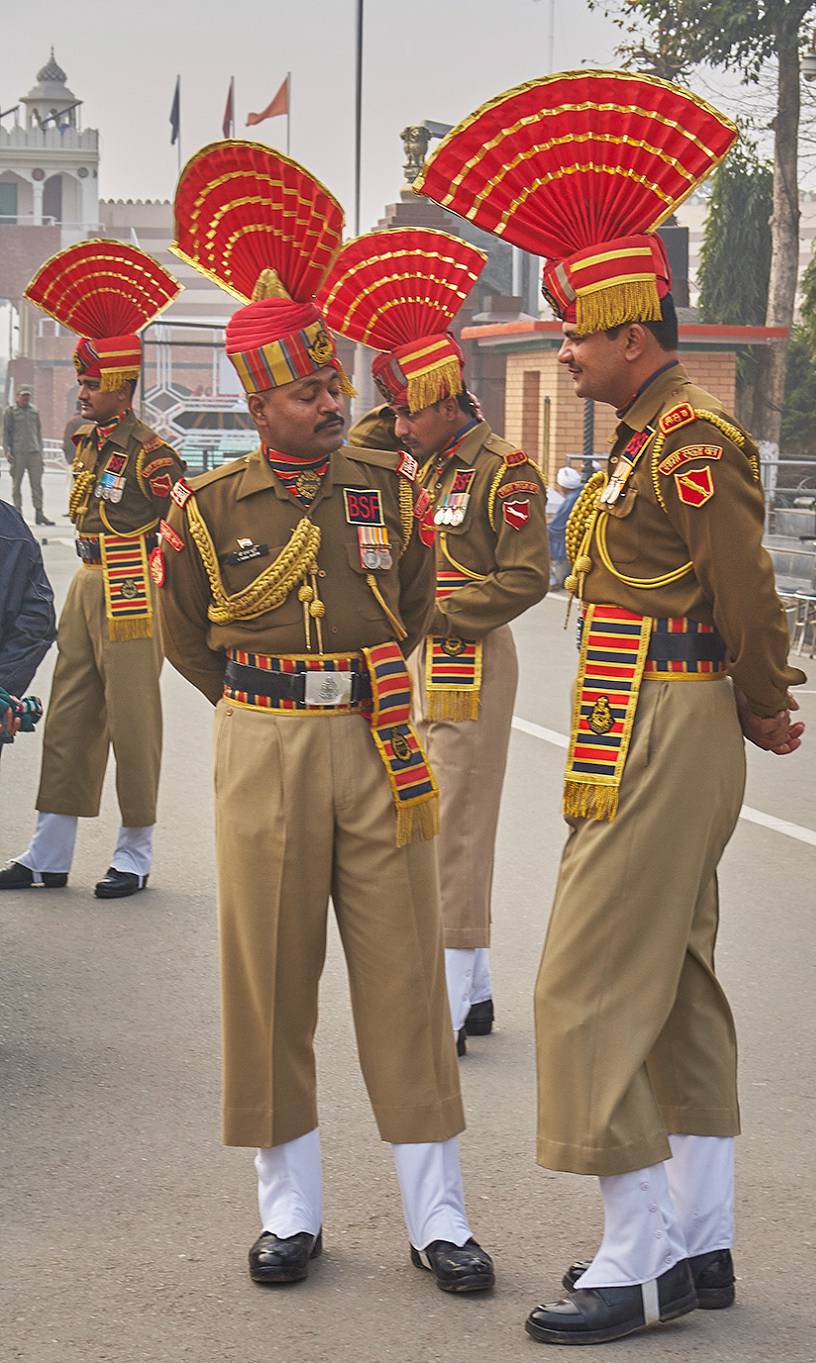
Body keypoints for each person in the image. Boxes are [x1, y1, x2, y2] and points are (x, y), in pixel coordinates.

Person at [416, 69, 806, 1344]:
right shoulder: (642, 440)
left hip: (673, 715)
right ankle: (699, 1239)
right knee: (678, 980)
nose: (566, 351)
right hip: (630, 713)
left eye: (577, 333)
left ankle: (633, 1256)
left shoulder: (690, 443)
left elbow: (747, 598)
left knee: (581, 982)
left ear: (631, 333)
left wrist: (764, 705)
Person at [158, 140, 494, 1293]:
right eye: (308, 389)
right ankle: (288, 1211)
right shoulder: (209, 506)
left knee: (404, 975)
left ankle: (435, 1214)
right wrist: (262, 710)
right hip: (261, 747)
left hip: (377, 738)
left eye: (332, 384)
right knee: (270, 979)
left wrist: (344, 695)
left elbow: (410, 604)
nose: (334, 398)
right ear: (260, 401)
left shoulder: (387, 492)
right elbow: (185, 632)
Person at [321, 227, 549, 1051]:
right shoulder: (421, 460)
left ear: (449, 398)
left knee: (456, 823)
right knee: (425, 811)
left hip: (471, 658)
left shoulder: (504, 470)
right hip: (421, 662)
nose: (402, 425)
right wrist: (395, 395)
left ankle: (450, 999)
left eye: (414, 407)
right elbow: (356, 451)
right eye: (400, 410)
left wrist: (438, 613)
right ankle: (475, 985)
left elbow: (528, 579)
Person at [0, 240, 183, 899]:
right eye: (78, 381)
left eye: (90, 383)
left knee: (132, 718)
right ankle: (49, 851)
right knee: (70, 712)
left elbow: (181, 530)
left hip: (134, 582)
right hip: (85, 578)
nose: (80, 392)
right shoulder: (85, 442)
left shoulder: (154, 454)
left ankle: (135, 853)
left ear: (123, 388)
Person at [0, 497, 56, 766]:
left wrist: (4, 688)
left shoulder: (10, 529)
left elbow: (36, 618)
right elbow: (38, 618)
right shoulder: (10, 528)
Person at [3, 386, 53, 526]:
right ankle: (18, 513)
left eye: (28, 396)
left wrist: (41, 452)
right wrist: (7, 450)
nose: (26, 398)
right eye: (23, 395)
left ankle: (39, 512)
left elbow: (38, 432)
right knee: (16, 485)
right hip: (18, 452)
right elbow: (6, 432)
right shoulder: (10, 411)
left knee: (36, 484)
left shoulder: (34, 411)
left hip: (34, 452)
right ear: (17, 396)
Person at [548, 465, 582, 590]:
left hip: (567, 539)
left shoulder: (571, 499)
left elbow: (556, 527)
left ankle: (551, 579)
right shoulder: (580, 492)